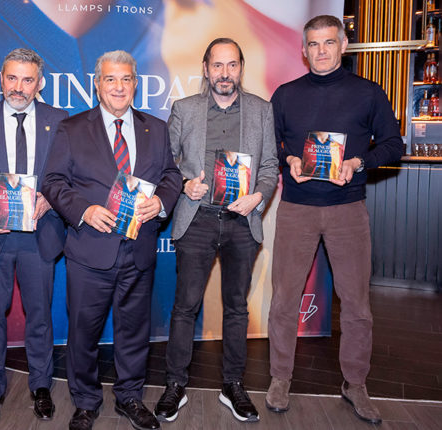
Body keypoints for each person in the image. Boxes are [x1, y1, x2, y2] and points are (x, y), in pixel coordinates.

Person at [266, 15, 404, 425]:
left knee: (357, 304)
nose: (321, 50)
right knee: (284, 299)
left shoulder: (368, 93)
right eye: (313, 44)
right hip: (296, 208)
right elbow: (270, 144)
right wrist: (290, 158)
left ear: (343, 45)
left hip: (348, 209)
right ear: (303, 50)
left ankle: (355, 383)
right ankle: (279, 378)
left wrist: (359, 162)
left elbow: (394, 144)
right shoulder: (286, 95)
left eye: (329, 42)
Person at [42, 50, 181, 430]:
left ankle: (130, 397)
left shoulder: (156, 128)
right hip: (90, 251)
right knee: (83, 334)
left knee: (134, 333)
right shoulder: (72, 129)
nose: (119, 87)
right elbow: (52, 181)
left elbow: (171, 175)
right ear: (97, 85)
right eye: (110, 79)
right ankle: (85, 402)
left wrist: (161, 202)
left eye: (126, 79)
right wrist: (84, 210)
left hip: (139, 250)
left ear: (135, 84)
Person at [152, 38, 278, 424]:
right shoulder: (185, 109)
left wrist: (258, 196)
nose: (225, 73)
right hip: (198, 219)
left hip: (242, 221)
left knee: (237, 308)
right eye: (218, 65)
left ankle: (233, 385)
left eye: (232, 65)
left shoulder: (261, 110)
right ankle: (175, 384)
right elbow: (167, 162)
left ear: (241, 68)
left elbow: (269, 166)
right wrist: (184, 183)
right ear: (206, 69)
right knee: (185, 306)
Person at [0, 48, 68, 425]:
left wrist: (51, 198)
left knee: (39, 315)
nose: (19, 87)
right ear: (1, 80)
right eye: (12, 78)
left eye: (28, 80)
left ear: (39, 83)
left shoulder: (59, 120)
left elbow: (70, 174)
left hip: (40, 233)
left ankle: (41, 385)